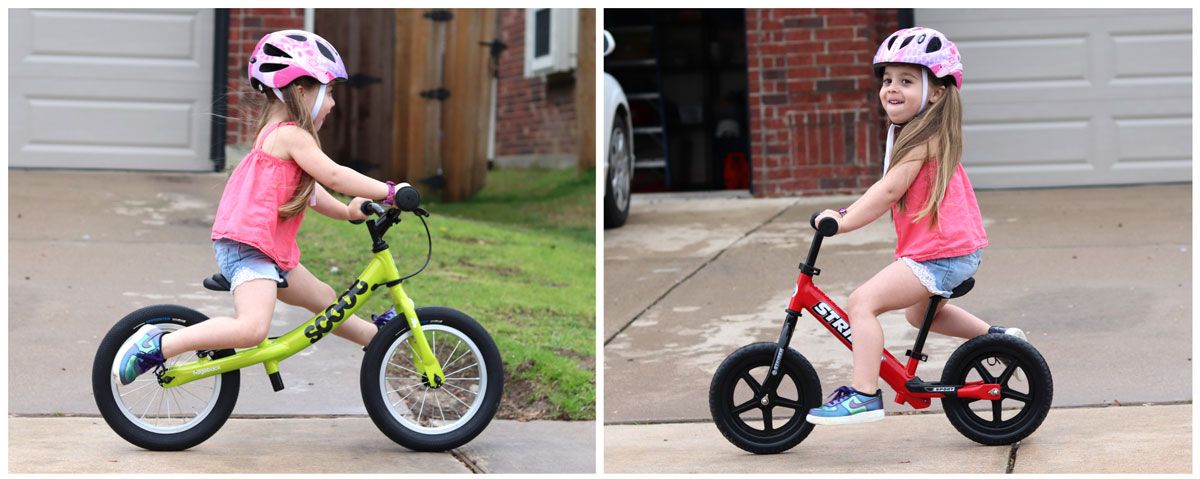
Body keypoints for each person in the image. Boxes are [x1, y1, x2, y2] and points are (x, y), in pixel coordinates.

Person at [113, 30, 408, 385]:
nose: (332, 103)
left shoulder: (280, 135)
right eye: (329, 91)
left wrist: (347, 212)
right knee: (252, 329)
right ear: (301, 90)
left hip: (268, 250)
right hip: (249, 249)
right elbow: (334, 174)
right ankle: (159, 345)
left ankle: (377, 340)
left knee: (326, 299)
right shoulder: (289, 135)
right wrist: (390, 191)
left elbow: (311, 191)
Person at [804, 27, 1026, 426]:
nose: (891, 88)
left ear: (937, 92)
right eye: (887, 79)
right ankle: (1001, 340)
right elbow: (887, 190)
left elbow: (889, 191)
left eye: (906, 81)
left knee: (861, 303)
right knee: (919, 315)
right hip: (950, 250)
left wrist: (844, 220)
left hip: (940, 254)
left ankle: (863, 395)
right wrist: (846, 210)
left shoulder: (925, 138)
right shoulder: (914, 132)